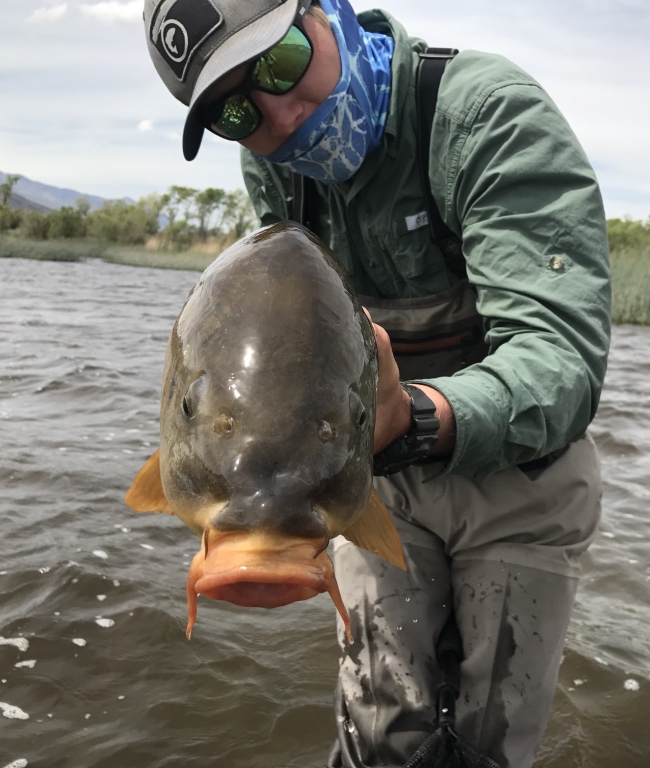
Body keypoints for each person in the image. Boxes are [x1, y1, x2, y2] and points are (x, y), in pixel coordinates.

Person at [143, 0, 611, 765]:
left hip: (517, 469)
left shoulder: (488, 114)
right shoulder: (270, 157)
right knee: (380, 728)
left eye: (279, 63)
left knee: (491, 735)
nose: (278, 116)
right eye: (234, 108)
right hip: (364, 465)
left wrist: (413, 416)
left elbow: (562, 361)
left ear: (328, 12)